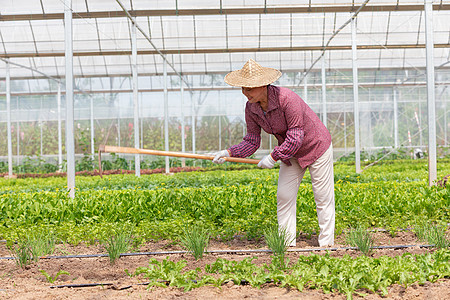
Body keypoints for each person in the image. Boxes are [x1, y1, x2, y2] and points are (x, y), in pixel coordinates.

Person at [212, 59, 335, 247]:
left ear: (262, 85)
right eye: (243, 88)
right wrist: (228, 152)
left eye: (249, 88)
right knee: (284, 195)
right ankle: (286, 243)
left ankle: (327, 245)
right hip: (290, 151)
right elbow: (252, 140)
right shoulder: (251, 108)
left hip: (316, 146)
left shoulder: (287, 99)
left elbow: (295, 135)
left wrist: (273, 156)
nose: (245, 93)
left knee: (322, 196)